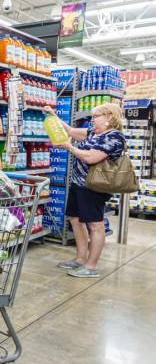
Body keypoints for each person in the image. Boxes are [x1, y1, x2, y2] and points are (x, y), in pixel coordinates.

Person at [43, 103, 126, 278]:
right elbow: (71, 131)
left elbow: (91, 157)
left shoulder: (114, 137)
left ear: (110, 117)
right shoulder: (93, 132)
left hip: (94, 186)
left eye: (96, 117)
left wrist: (70, 148)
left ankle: (91, 266)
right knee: (75, 220)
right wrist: (53, 115)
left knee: (95, 225)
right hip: (78, 184)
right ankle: (80, 259)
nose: (92, 120)